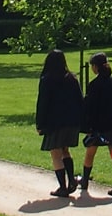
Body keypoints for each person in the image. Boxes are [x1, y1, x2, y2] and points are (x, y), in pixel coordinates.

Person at [35, 50, 84, 197]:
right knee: (65, 150)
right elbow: (80, 100)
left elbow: (43, 103)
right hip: (71, 121)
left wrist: (40, 124)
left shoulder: (47, 79)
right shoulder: (72, 78)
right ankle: (71, 180)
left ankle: (63, 187)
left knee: (55, 154)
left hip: (54, 122)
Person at [78, 51, 112, 196]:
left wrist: (88, 125)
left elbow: (90, 107)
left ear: (95, 67)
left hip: (98, 125)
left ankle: (85, 181)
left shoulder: (94, 85)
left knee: (90, 154)